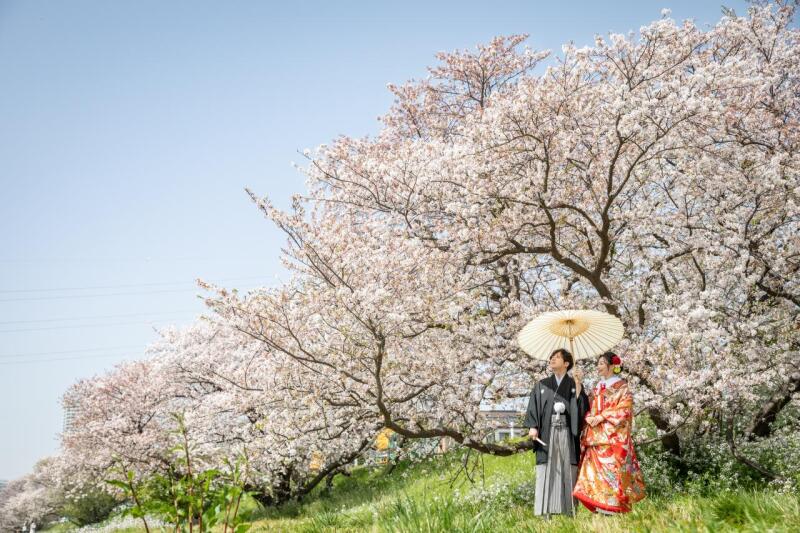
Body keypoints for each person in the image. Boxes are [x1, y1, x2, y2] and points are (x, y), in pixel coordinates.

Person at [572, 352, 646, 514]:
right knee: (593, 472)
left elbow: (624, 409)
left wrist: (602, 416)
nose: (598, 367)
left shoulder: (622, 387)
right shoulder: (597, 388)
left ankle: (613, 507)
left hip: (611, 438)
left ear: (612, 366)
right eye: (598, 363)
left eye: (601, 363)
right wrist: (588, 415)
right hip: (594, 437)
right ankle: (600, 506)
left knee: (612, 472)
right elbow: (587, 406)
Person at [523, 348, 589, 516]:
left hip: (567, 431)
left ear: (566, 363)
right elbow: (534, 406)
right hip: (546, 431)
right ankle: (545, 511)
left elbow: (582, 410)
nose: (552, 359)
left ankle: (569, 511)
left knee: (567, 467)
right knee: (546, 467)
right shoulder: (542, 384)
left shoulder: (574, 384)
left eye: (557, 357)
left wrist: (578, 388)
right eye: (551, 357)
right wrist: (533, 426)